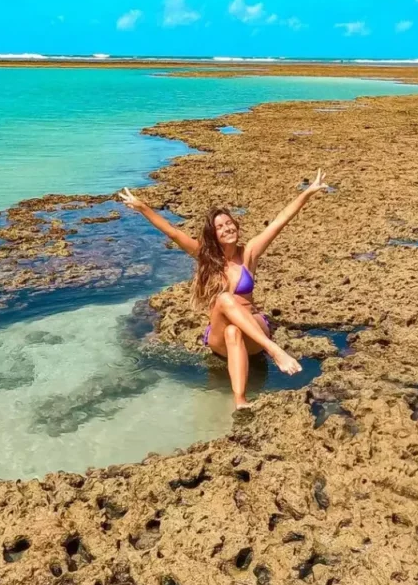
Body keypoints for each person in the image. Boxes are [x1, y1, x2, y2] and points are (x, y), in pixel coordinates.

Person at [118, 170, 329, 408]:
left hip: (253, 330)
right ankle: (274, 351)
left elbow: (280, 220)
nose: (228, 228)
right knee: (225, 304)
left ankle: (240, 399)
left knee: (234, 332)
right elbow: (172, 232)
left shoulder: (248, 253)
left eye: (230, 223)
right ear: (214, 234)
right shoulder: (205, 257)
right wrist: (142, 206)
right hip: (218, 335)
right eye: (221, 227)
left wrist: (308, 192)